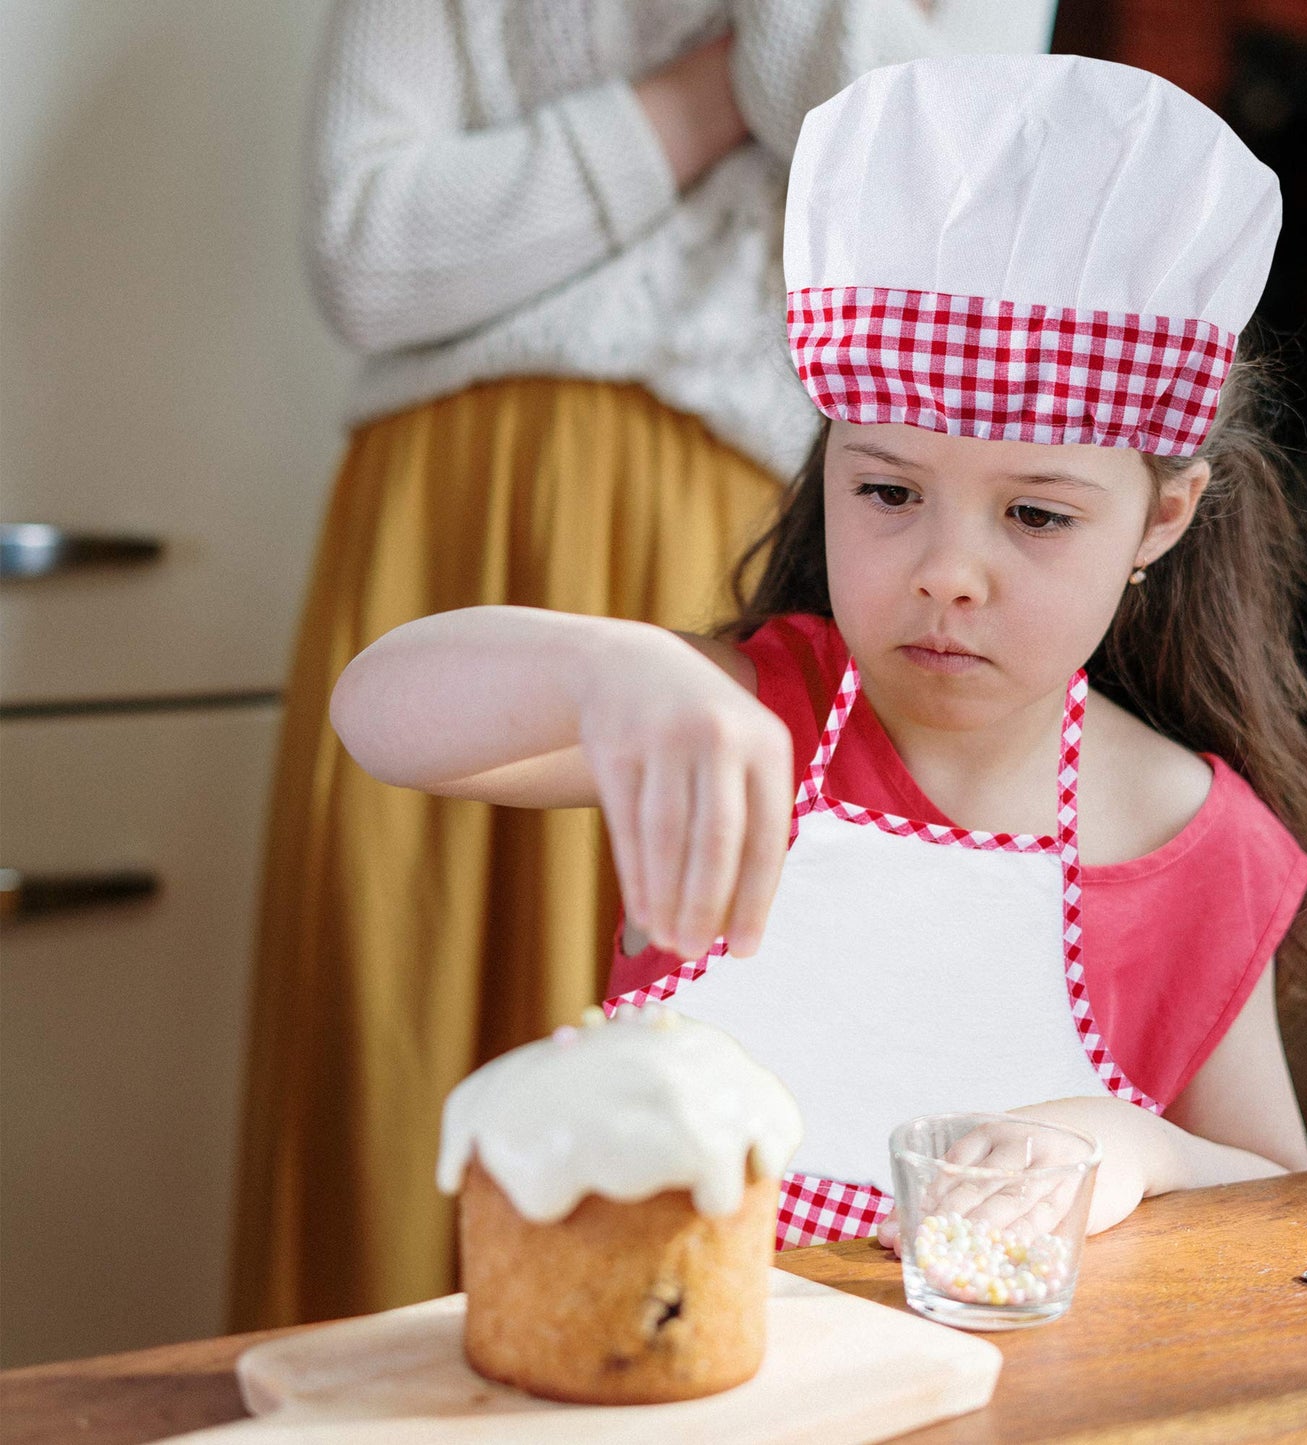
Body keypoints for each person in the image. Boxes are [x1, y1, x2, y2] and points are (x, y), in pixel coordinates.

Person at [328, 54, 1307, 1252]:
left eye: (1034, 515)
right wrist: (607, 672)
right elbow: (374, 712)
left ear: (1158, 518)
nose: (944, 570)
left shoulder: (1191, 843)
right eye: (886, 490)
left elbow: (1281, 1211)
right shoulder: (757, 716)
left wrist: (1140, 1145)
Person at [232, 0, 1060, 1328]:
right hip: (445, 529)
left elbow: (936, 205)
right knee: (398, 1039)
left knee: (688, 1057)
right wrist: (704, 96)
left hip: (738, 541)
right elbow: (371, 256)